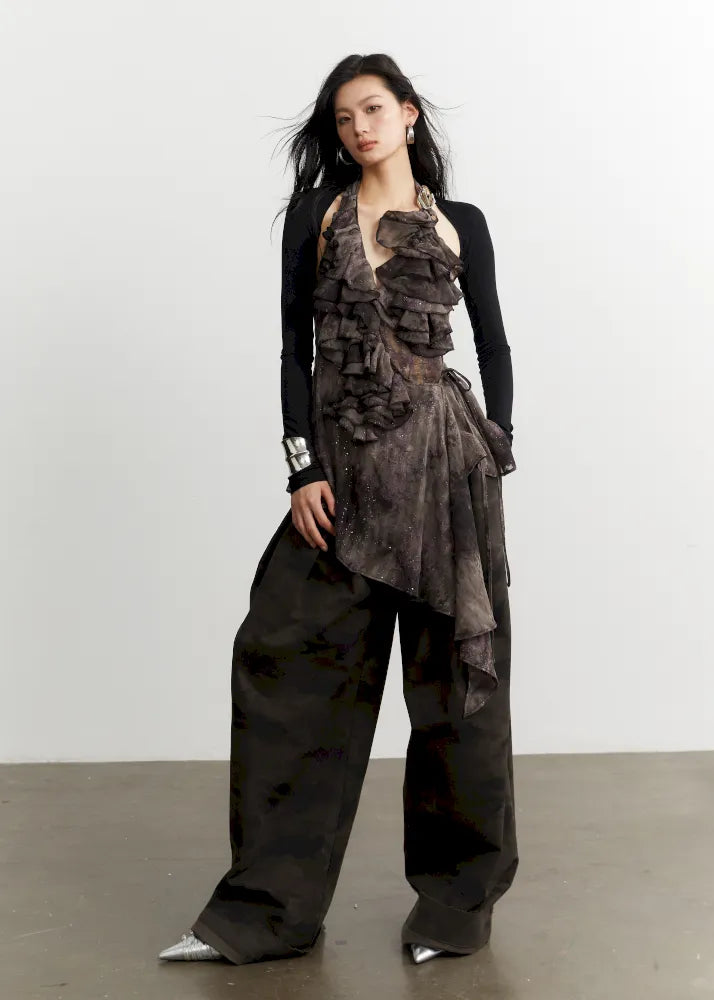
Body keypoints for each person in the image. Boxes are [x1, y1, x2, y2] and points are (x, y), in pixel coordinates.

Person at [158, 52, 518, 968]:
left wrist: (497, 441)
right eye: (344, 118)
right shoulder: (315, 216)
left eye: (373, 110)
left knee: (457, 699)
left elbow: (494, 341)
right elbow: (294, 347)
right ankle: (265, 913)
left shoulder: (463, 222)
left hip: (444, 480)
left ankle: (455, 909)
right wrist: (301, 467)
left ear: (408, 114)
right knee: (286, 670)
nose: (359, 128)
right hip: (342, 483)